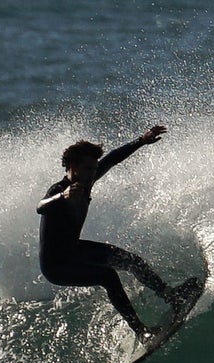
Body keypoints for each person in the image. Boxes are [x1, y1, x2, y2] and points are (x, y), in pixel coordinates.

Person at [37, 126, 189, 339]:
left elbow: (112, 159)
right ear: (73, 167)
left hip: (74, 250)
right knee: (107, 276)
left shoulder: (85, 180)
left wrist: (142, 140)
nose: (92, 174)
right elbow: (40, 207)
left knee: (131, 261)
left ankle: (172, 297)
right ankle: (142, 332)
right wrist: (62, 197)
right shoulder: (59, 190)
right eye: (88, 169)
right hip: (55, 265)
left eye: (94, 169)